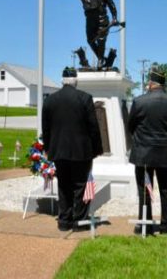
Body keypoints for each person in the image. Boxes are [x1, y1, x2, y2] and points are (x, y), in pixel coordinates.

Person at [42, 67, 103, 231]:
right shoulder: (85, 98)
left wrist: (47, 149)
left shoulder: (50, 100)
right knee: (80, 186)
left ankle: (64, 220)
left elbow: (45, 129)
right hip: (81, 152)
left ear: (62, 80)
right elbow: (93, 128)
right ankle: (79, 221)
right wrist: (97, 149)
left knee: (63, 185)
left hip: (59, 152)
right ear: (76, 81)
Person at [128, 67, 167, 234]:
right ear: (162, 85)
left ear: (150, 83)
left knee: (144, 190)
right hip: (166, 152)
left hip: (143, 152)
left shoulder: (139, 102)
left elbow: (130, 126)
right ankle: (166, 224)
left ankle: (145, 223)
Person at [53, 0, 118, 68]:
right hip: (90, 20)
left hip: (102, 19)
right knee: (90, 40)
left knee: (101, 39)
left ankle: (100, 60)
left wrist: (114, 17)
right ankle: (101, 58)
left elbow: (111, 4)